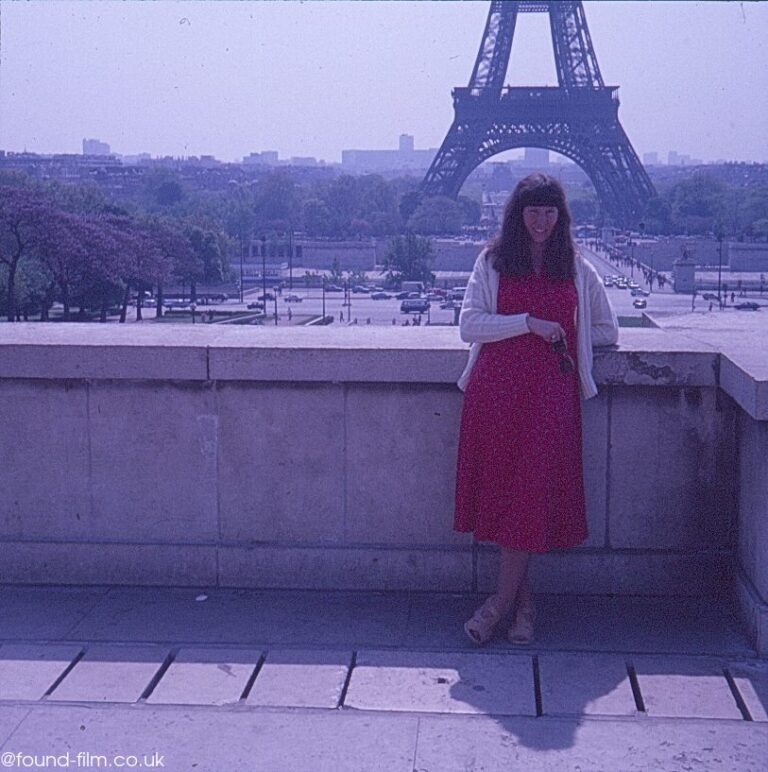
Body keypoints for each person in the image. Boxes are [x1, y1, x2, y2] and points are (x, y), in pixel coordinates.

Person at [454, 173, 619, 647]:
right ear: (517, 213)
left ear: (560, 216)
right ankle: (522, 606)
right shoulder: (491, 262)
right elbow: (468, 325)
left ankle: (497, 607)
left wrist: (573, 334)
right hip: (498, 395)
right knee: (513, 499)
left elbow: (605, 329)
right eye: (533, 211)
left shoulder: (579, 268)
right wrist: (529, 324)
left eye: (549, 212)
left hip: (549, 398)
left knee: (525, 497)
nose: (541, 221)